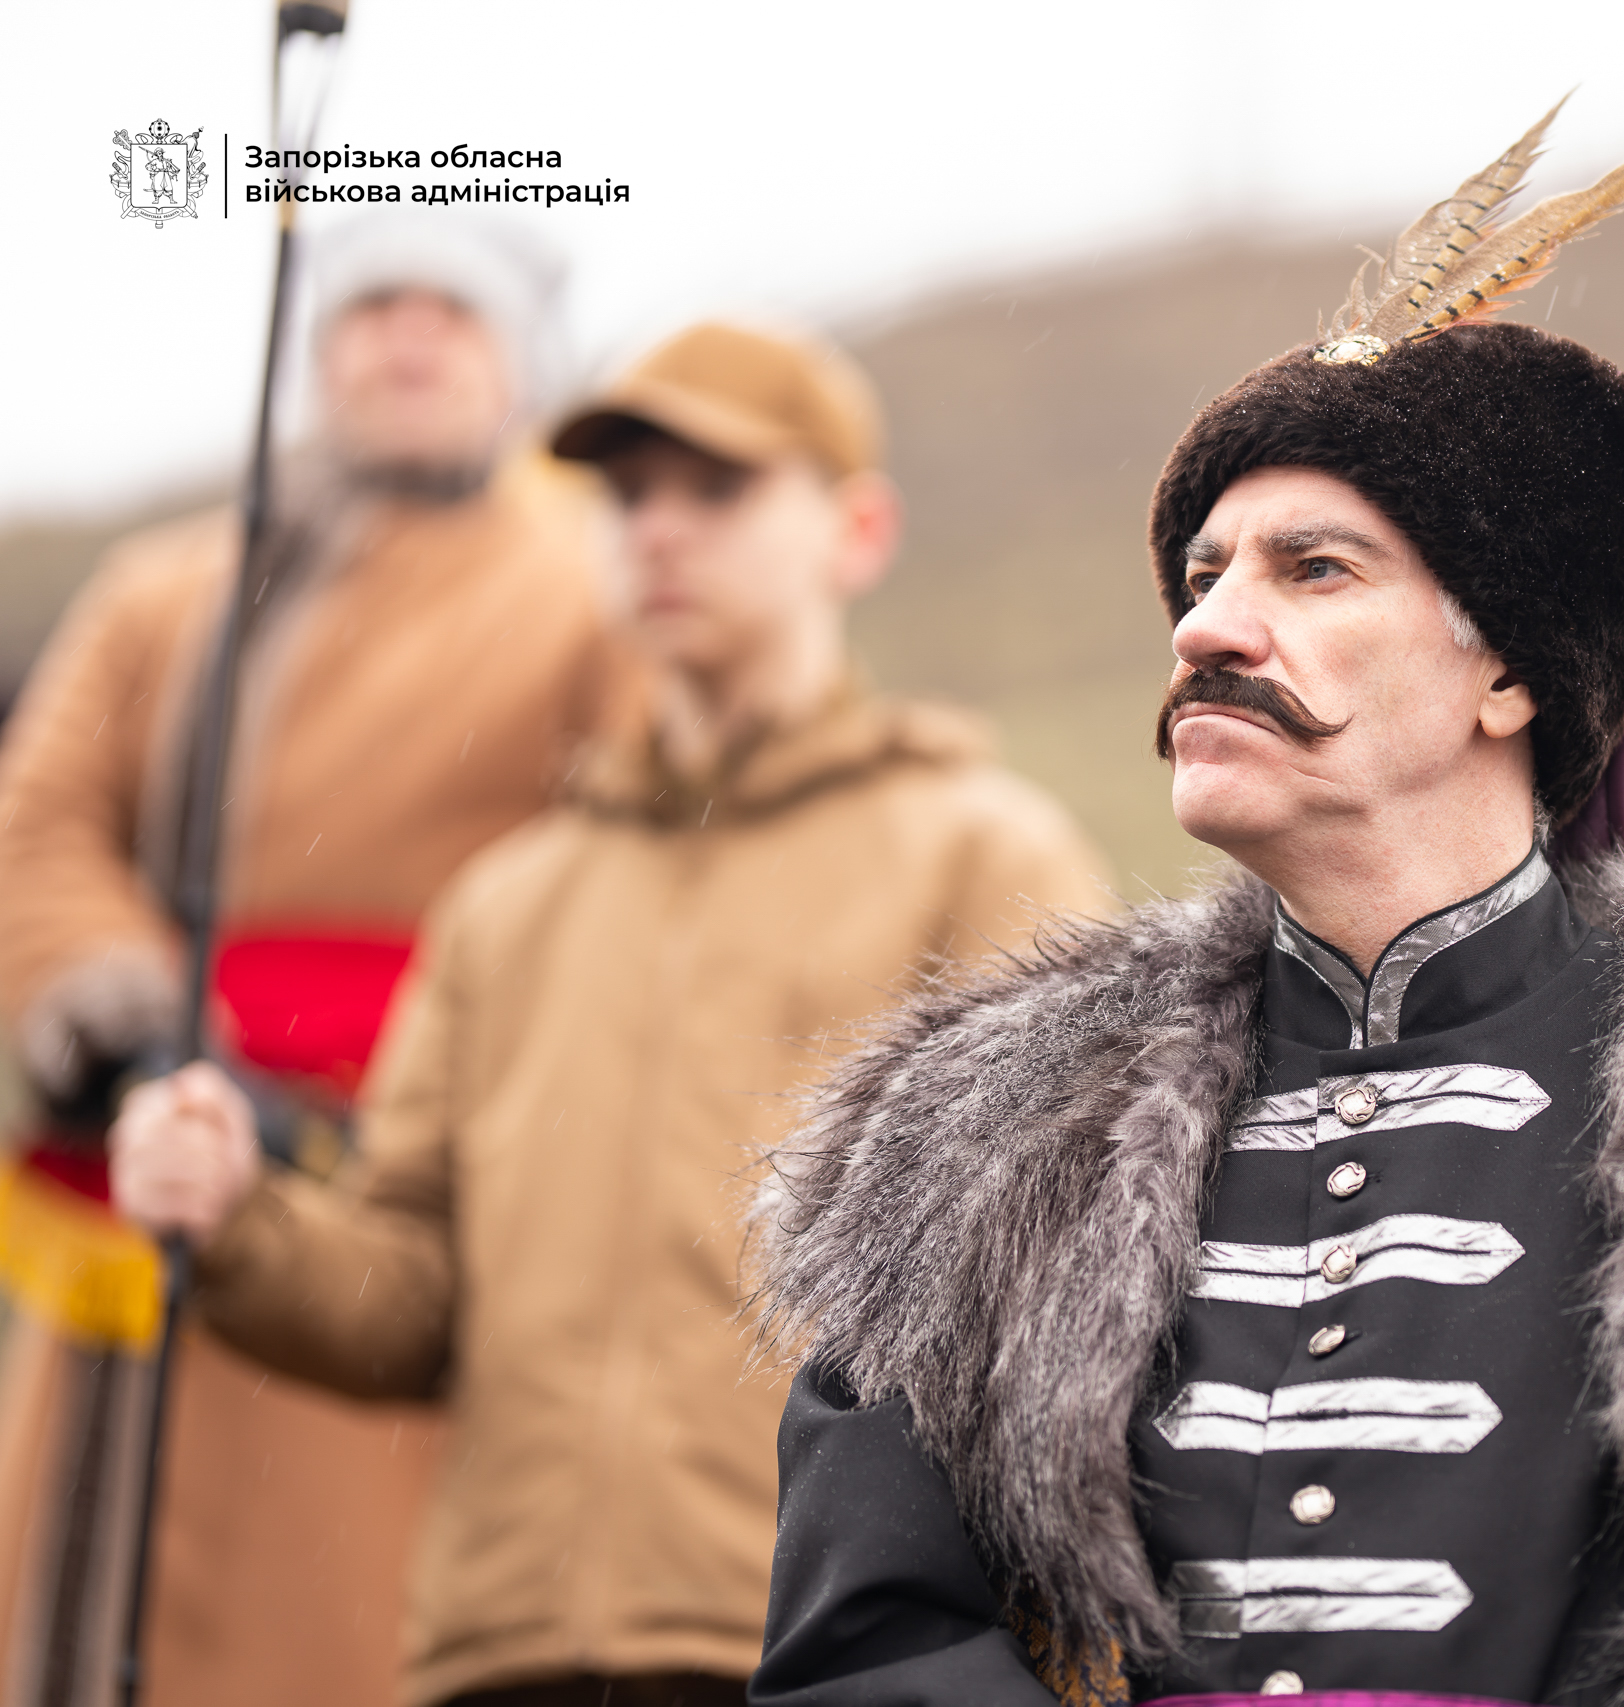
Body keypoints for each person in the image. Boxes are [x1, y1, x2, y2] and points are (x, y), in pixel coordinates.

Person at [744, 109, 1624, 1707]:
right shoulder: (980, 1140)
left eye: (1314, 571)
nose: (1209, 629)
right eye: (1205, 576)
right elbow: (864, 1652)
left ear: (1509, 673)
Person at [107, 320, 1114, 1707]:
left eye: (719, 488)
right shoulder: (503, 906)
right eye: (629, 494)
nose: (660, 530)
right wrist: (236, 1222)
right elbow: (408, 1299)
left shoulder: (986, 858)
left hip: (831, 1657)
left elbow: (1063, 1298)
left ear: (858, 530)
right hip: (503, 1658)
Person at [0, 214, 630, 1707]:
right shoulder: (165, 590)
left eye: (452, 314)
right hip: (146, 1159)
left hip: (409, 1200)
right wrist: (141, 1032)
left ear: (516, 364)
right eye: (375, 306)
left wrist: (418, 1099)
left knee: (341, 1616)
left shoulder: (589, 598)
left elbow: (631, 872)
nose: (410, 338)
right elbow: (42, 820)